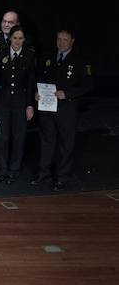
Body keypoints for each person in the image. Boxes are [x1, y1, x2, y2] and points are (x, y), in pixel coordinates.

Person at [33, 28, 94, 190]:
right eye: (59, 39)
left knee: (65, 145)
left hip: (67, 110)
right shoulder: (48, 56)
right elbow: (39, 77)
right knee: (47, 143)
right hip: (47, 108)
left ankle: (62, 177)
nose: (61, 42)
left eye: (65, 40)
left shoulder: (80, 60)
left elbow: (87, 86)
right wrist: (37, 92)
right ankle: (43, 175)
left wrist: (67, 94)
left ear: (72, 41)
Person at [0, 25, 36, 183]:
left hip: (20, 103)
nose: (17, 41)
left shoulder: (29, 55)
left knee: (19, 137)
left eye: (20, 38)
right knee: (2, 137)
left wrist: (30, 105)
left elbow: (30, 83)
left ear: (24, 40)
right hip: (3, 103)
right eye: (14, 38)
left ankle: (14, 169)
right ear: (10, 38)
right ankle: (2, 168)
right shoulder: (1, 52)